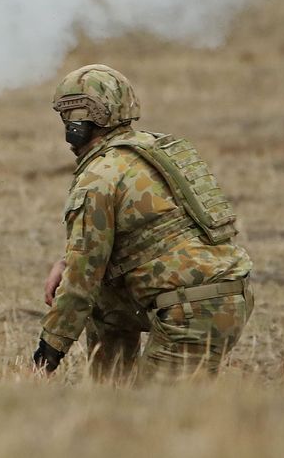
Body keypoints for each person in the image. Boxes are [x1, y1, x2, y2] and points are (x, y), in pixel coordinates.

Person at [33, 65, 254, 380]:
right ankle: (109, 398)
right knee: (103, 305)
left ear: (80, 120)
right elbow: (122, 243)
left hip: (196, 310)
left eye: (66, 118)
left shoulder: (98, 175)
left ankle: (119, 411)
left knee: (154, 420)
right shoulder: (150, 150)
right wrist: (67, 262)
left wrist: (46, 356)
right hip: (222, 294)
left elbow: (80, 283)